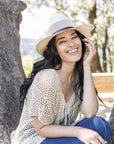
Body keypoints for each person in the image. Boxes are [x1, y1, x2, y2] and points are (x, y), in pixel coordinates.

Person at [11, 13, 111, 144]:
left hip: (61, 135)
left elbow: (90, 113)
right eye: (62, 41)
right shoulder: (47, 77)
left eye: (74, 37)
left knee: (100, 125)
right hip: (36, 139)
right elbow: (41, 129)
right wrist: (79, 131)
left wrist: (86, 66)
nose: (71, 44)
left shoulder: (78, 75)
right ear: (55, 49)